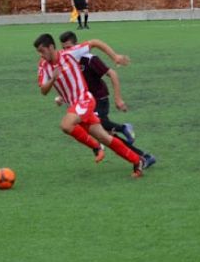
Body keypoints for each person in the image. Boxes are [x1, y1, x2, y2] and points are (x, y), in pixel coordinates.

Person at [34, 33, 145, 178]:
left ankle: (96, 147)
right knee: (106, 137)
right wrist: (53, 79)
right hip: (75, 106)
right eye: (39, 52)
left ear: (51, 47)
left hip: (85, 99)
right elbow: (43, 90)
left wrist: (115, 57)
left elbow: (95, 42)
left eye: (43, 51)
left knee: (66, 125)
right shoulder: (43, 65)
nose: (41, 55)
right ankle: (138, 161)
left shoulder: (70, 54)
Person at [59, 31, 157, 169]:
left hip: (100, 98)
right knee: (105, 135)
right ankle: (144, 156)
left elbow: (113, 74)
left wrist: (118, 99)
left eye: (68, 47)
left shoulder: (90, 59)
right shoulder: (68, 62)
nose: (66, 51)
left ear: (76, 45)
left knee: (103, 126)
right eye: (63, 48)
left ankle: (123, 127)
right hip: (85, 102)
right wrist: (61, 98)